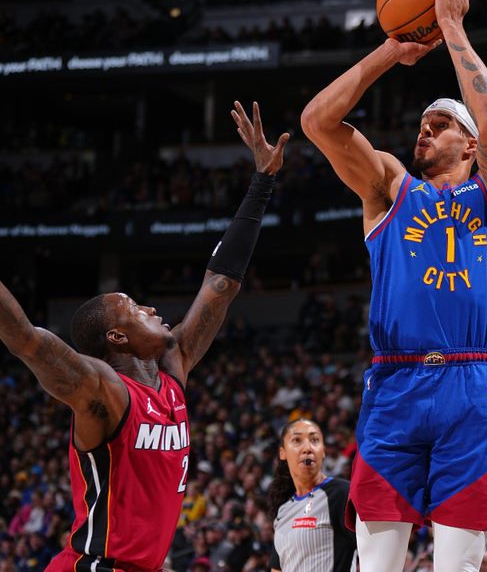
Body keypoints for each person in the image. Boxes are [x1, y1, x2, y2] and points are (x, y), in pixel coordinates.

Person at [0, 101, 288, 571]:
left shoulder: (172, 372)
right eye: (135, 308)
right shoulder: (103, 390)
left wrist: (262, 182)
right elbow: (27, 339)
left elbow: (221, 287)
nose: (152, 309)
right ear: (116, 337)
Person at [299, 0, 487, 568]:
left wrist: (451, 27)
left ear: (470, 146)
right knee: (374, 564)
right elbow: (317, 122)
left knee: (457, 564)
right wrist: (389, 52)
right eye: (422, 124)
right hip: (394, 386)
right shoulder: (390, 188)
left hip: (468, 388)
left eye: (441, 124)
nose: (425, 129)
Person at [266, 419, 356, 572]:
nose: (307, 448)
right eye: (297, 440)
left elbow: (375, 549)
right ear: (283, 453)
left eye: (315, 440)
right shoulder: (284, 509)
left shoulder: (341, 493)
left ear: (323, 452)